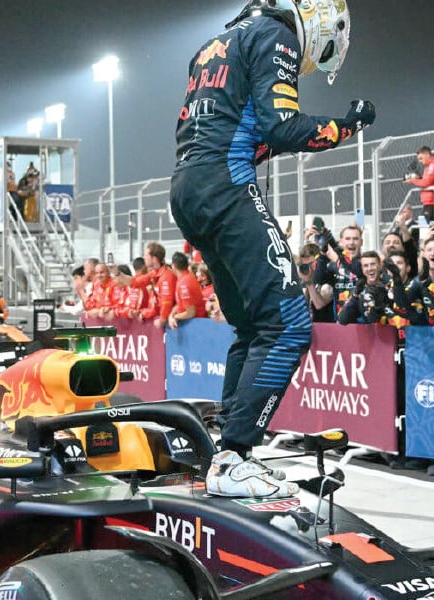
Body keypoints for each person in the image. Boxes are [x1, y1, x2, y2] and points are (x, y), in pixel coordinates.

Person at [169, 0, 374, 497]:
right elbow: (281, 125)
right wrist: (346, 125)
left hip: (188, 186)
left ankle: (229, 458)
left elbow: (252, 130)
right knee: (288, 324)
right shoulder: (274, 34)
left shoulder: (212, 47)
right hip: (225, 184)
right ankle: (236, 457)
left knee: (253, 327)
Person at [168, 251, 207, 329]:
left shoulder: (184, 284)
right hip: (193, 323)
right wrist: (171, 315)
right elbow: (180, 304)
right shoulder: (185, 278)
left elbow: (191, 313)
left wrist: (175, 317)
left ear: (173, 266)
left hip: (195, 325)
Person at [405, 146, 434, 224]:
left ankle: (432, 235)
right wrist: (417, 178)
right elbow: (425, 181)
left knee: (428, 225)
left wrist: (413, 180)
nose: (420, 161)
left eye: (421, 158)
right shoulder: (427, 167)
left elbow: (427, 182)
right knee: (428, 224)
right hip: (428, 201)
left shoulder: (433, 165)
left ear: (427, 154)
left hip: (431, 201)